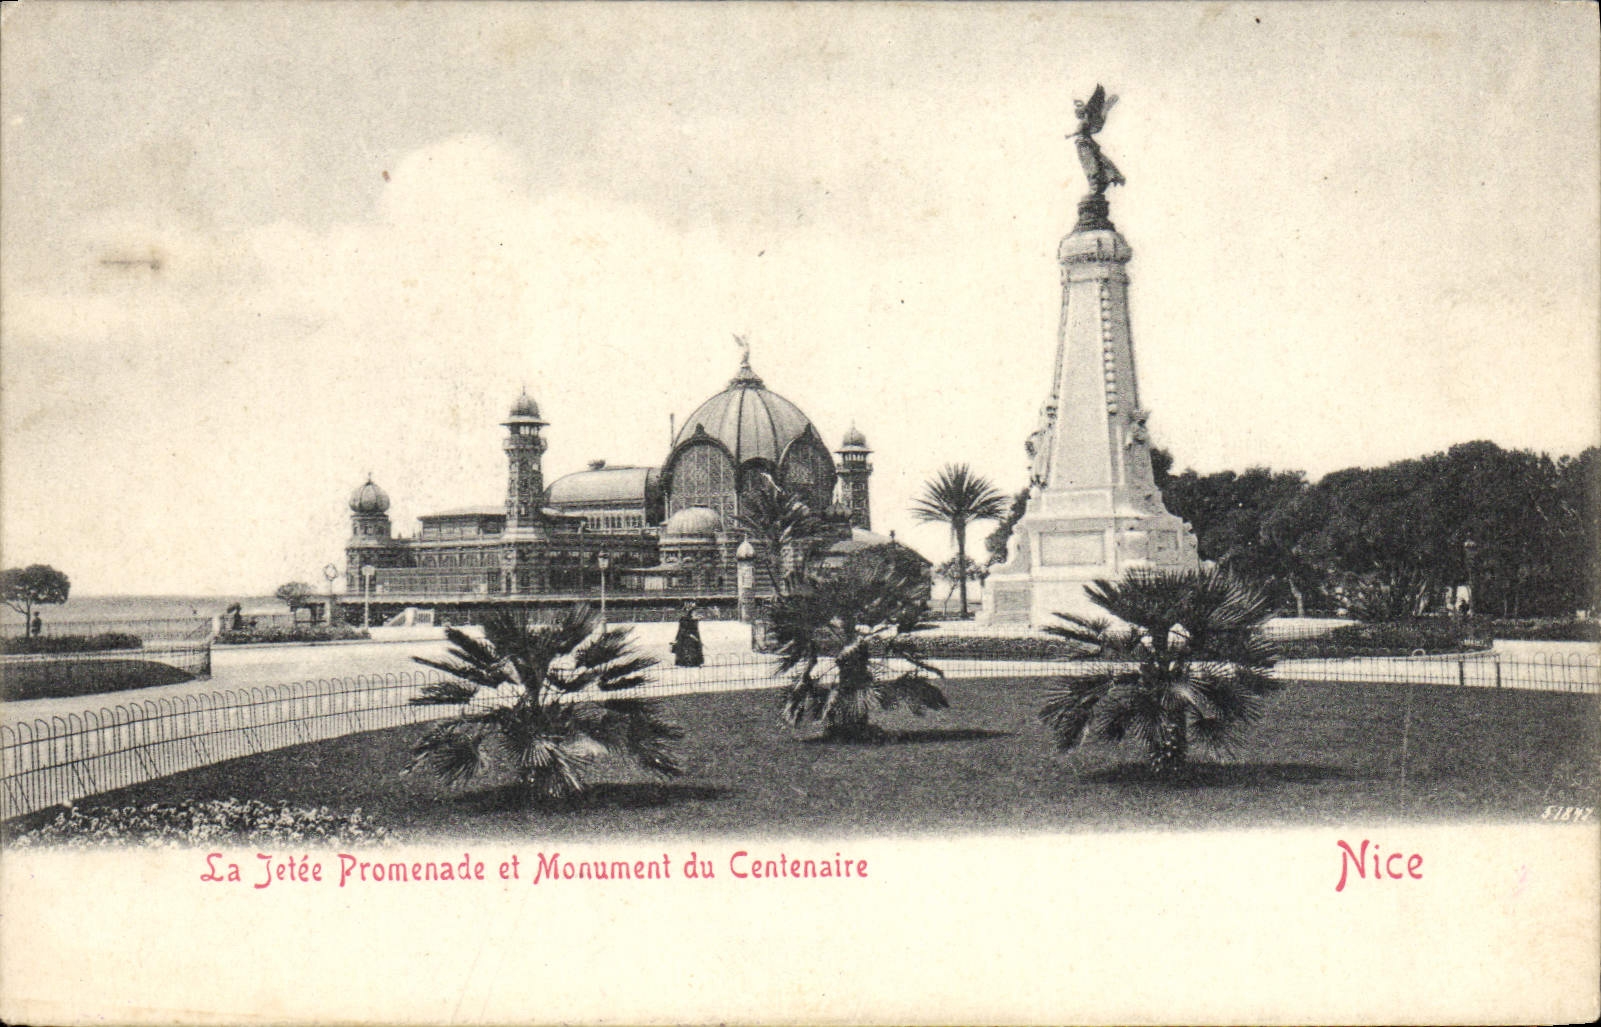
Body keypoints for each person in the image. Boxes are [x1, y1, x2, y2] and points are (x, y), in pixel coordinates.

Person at [671, 603, 704, 668]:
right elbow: (682, 630)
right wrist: (690, 635)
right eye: (695, 613)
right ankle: (687, 662)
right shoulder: (685, 620)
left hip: (693, 637)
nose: (697, 615)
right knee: (688, 649)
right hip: (686, 638)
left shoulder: (694, 620)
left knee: (695, 648)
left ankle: (694, 662)